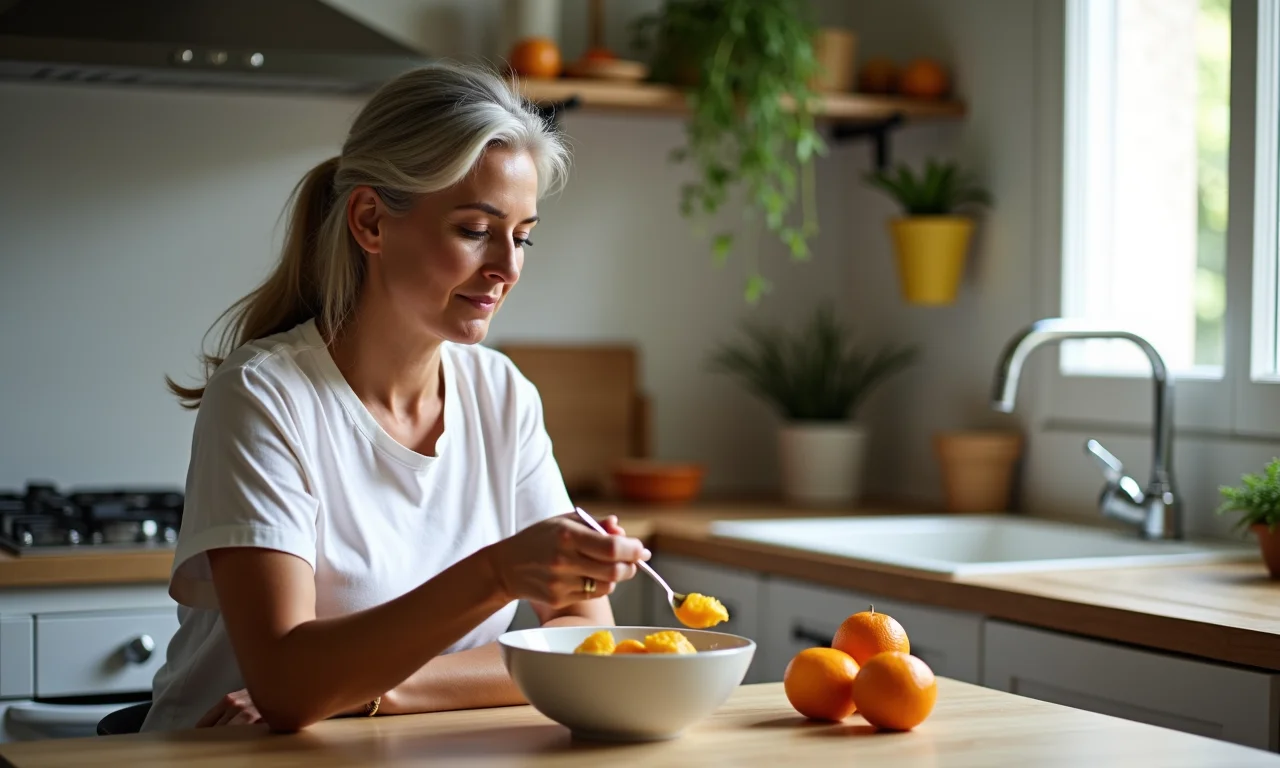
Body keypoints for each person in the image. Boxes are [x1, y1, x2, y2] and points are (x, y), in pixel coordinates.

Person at [140, 63, 649, 733]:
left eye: (522, 235)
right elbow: (289, 685)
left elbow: (587, 641)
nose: (507, 266)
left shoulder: (502, 396)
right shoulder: (266, 396)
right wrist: (497, 573)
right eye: (475, 230)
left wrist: (372, 692)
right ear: (372, 221)